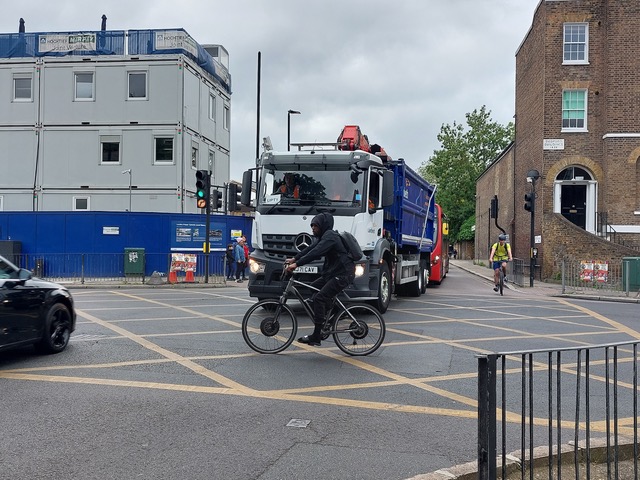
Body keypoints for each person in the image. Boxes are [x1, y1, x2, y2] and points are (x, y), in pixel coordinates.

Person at [285, 212, 355, 346]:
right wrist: (294, 258)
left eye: (315, 226)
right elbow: (311, 248)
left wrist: (296, 265)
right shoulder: (324, 236)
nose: (312, 228)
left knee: (319, 298)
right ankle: (335, 312)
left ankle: (317, 336)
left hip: (343, 274)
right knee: (312, 288)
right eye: (312, 226)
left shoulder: (330, 237)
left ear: (323, 225)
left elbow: (316, 253)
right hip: (333, 273)